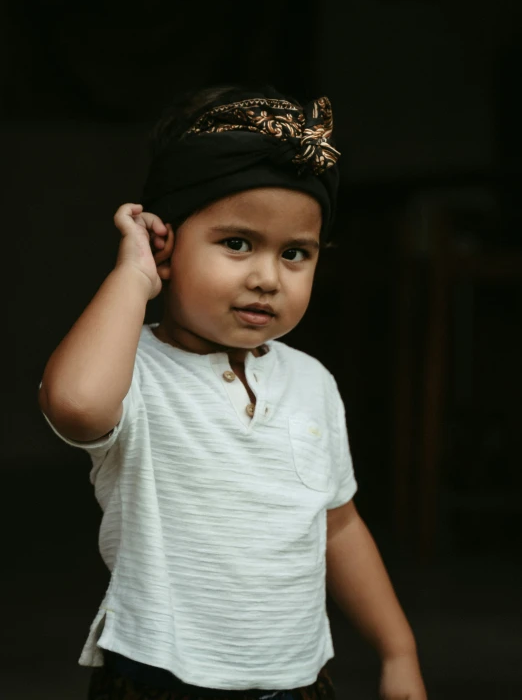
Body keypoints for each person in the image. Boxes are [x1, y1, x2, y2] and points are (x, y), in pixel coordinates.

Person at [38, 86, 428, 700]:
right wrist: (133, 275)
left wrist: (398, 649)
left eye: (295, 253)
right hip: (158, 684)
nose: (267, 277)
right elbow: (77, 404)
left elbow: (339, 526)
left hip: (296, 684)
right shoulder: (132, 370)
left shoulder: (312, 383)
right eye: (237, 243)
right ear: (164, 242)